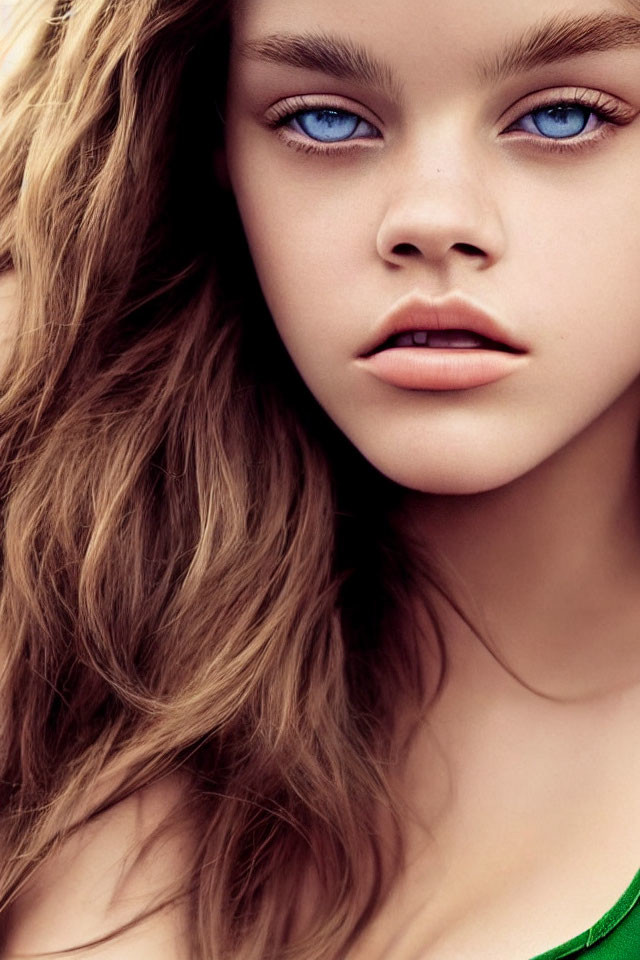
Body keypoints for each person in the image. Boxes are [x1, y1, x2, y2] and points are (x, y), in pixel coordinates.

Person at [1, 0, 640, 957]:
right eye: (324, 119)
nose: (432, 221)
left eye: (565, 115)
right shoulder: (55, 650)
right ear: (211, 149)